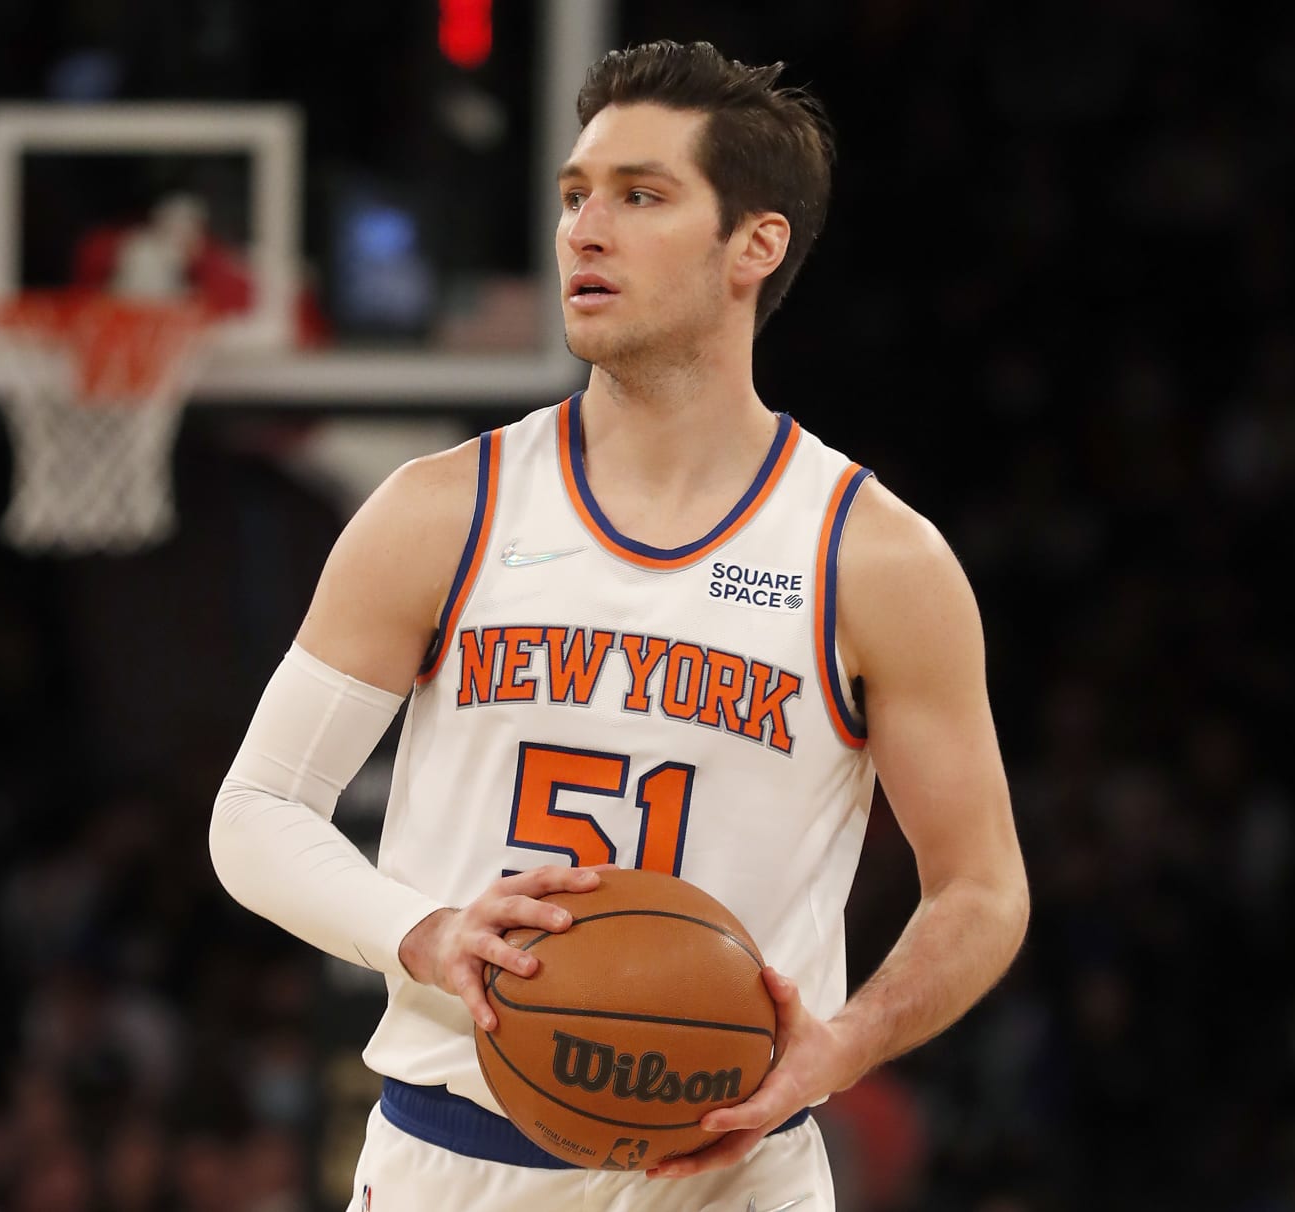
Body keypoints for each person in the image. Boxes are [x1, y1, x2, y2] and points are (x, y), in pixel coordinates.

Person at [210, 39, 1029, 1211]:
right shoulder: (441, 511)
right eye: (575, 197)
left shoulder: (873, 557)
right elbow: (256, 812)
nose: (585, 231)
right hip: (452, 1165)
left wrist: (843, 1043)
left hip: (733, 1176)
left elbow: (983, 889)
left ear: (756, 244)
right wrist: (427, 934)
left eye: (641, 197)